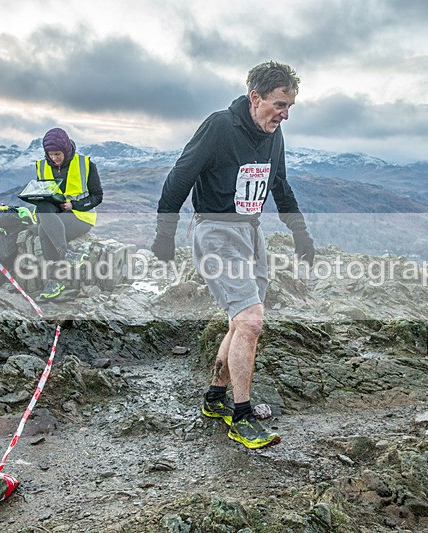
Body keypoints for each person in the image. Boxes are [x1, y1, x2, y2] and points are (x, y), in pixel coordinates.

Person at [151, 61, 315, 450]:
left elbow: (280, 185)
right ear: (254, 97)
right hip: (216, 231)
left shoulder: (274, 136)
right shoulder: (219, 126)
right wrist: (165, 235)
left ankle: (214, 399)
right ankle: (241, 417)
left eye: (290, 106)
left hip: (251, 233)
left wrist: (300, 232)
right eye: (279, 104)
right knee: (251, 322)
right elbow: (179, 178)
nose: (285, 114)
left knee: (238, 322)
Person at [32, 127, 103, 299]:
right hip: (55, 216)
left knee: (43, 231)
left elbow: (97, 196)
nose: (54, 158)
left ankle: (56, 279)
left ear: (65, 149)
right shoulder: (41, 166)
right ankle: (67, 256)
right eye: (50, 154)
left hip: (81, 216)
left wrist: (75, 205)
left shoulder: (86, 164)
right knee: (42, 208)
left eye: (57, 154)